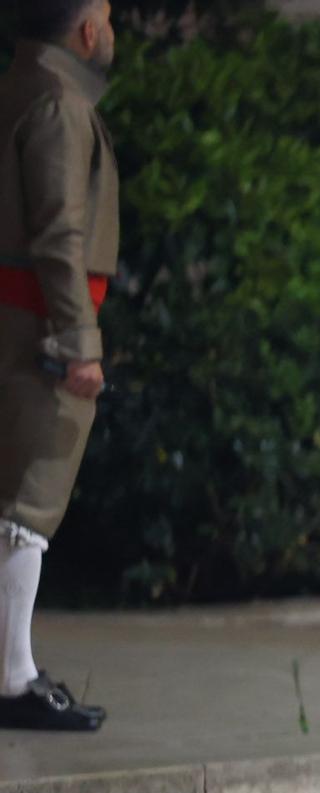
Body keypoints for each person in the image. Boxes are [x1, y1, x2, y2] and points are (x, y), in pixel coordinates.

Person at [0, 0, 116, 732]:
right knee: (28, 503)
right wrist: (79, 338)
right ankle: (12, 675)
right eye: (105, 14)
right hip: (39, 321)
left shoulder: (22, 88)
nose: (109, 30)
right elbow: (59, 229)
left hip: (20, 311)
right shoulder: (58, 102)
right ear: (83, 30)